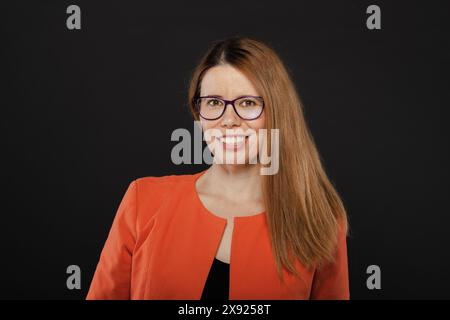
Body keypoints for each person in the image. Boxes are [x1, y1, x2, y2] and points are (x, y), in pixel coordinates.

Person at [86, 36, 350, 300]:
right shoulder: (142, 201)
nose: (229, 120)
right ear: (198, 115)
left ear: (277, 113)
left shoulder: (320, 218)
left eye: (248, 103)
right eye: (214, 102)